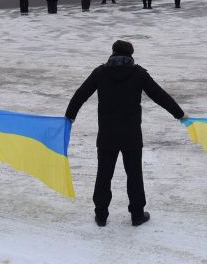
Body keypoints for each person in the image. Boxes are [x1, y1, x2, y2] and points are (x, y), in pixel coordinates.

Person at [65, 40, 186, 227]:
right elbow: (159, 95)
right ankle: (137, 215)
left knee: (104, 175)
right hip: (131, 135)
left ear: (112, 53)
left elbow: (80, 94)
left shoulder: (100, 73)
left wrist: (69, 116)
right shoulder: (138, 74)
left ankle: (101, 215)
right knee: (134, 175)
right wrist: (180, 114)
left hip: (107, 135)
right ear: (131, 55)